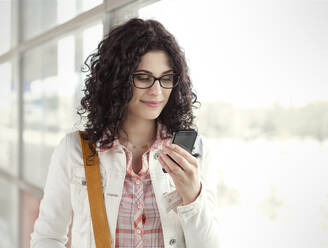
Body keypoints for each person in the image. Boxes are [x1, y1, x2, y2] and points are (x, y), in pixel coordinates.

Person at [30, 18, 222, 248]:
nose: (157, 91)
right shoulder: (74, 150)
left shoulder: (196, 152)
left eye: (166, 78)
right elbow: (48, 238)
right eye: (143, 77)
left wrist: (192, 197)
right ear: (117, 79)